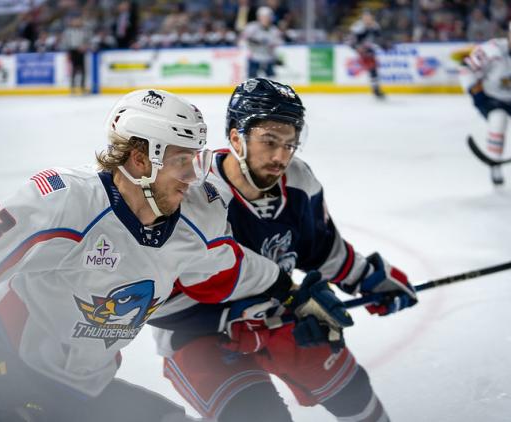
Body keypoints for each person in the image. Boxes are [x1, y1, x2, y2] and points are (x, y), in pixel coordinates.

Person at [0, 88, 351, 421]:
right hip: (5, 380)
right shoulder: (63, 200)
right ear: (140, 160)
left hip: (84, 391)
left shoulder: (196, 216)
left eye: (196, 159)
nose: (194, 176)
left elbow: (231, 265)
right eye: (181, 161)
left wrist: (292, 290)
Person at [150, 78, 419, 422]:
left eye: (290, 144)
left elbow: (321, 248)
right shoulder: (193, 192)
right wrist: (239, 316)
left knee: (355, 395)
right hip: (198, 335)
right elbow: (164, 296)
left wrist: (369, 278)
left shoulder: (299, 181)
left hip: (280, 314)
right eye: (269, 141)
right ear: (236, 137)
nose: (281, 157)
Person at [459, 21, 511, 186]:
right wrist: (476, 93)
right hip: (492, 98)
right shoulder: (491, 50)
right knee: (498, 120)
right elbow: (466, 69)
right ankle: (495, 164)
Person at [349, 10, 386, 99]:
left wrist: (383, 44)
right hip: (361, 49)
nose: (367, 19)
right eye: (365, 17)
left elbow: (379, 38)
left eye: (369, 17)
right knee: (372, 67)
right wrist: (358, 48)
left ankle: (375, 88)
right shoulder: (358, 27)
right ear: (362, 18)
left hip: (369, 48)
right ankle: (376, 89)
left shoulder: (375, 26)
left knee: (373, 69)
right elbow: (350, 41)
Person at [241, 6, 283, 78]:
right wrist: (254, 42)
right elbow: (243, 39)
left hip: (268, 59)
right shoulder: (251, 27)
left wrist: (276, 56)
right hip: (254, 58)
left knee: (272, 80)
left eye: (267, 17)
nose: (265, 19)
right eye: (263, 17)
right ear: (258, 17)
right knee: (252, 81)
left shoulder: (274, 30)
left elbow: (278, 43)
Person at [62, 16, 89, 94]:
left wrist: (84, 46)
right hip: (73, 51)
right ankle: (73, 88)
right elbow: (66, 43)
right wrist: (68, 52)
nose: (77, 22)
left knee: (83, 70)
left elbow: (87, 41)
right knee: (74, 70)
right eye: (75, 21)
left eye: (78, 21)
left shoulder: (83, 31)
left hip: (81, 52)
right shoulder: (68, 32)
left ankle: (82, 87)